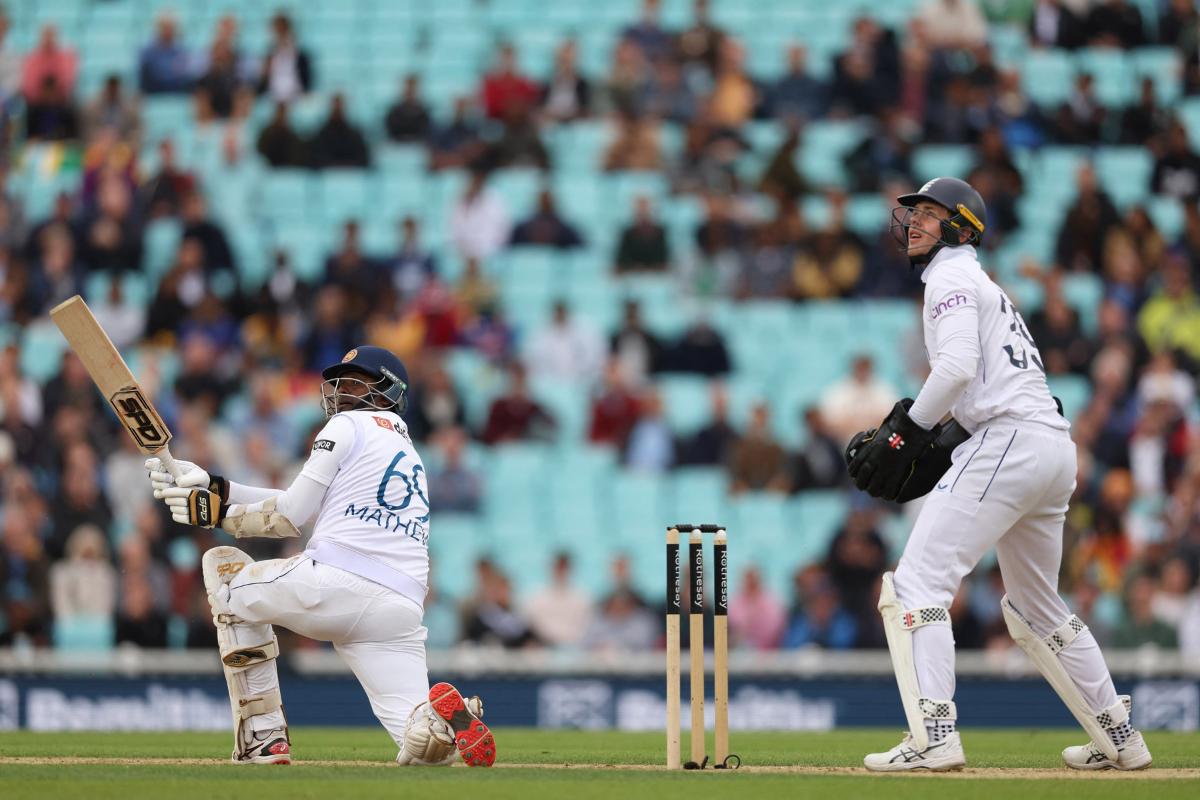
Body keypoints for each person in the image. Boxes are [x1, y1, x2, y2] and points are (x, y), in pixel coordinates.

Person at [847, 177, 1152, 771]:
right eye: (912, 214)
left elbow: (959, 367)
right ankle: (1119, 736)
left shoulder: (951, 276)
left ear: (960, 228)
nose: (913, 223)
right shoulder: (984, 285)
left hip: (1009, 442)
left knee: (915, 584)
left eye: (929, 215)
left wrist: (908, 430)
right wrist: (941, 435)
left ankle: (935, 735)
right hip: (1051, 448)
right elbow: (986, 382)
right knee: (1037, 606)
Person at [147, 346, 495, 767]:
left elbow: (292, 515)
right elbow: (299, 501)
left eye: (357, 381)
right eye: (341, 381)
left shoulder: (347, 424)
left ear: (389, 391)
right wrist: (216, 485)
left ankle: (264, 736)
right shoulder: (408, 451)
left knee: (227, 583)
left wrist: (216, 514)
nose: (343, 389)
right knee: (422, 749)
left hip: (337, 581)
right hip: (399, 607)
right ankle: (440, 721)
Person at [385, 75, 432, 143]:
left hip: (419, 146)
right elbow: (392, 131)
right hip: (397, 146)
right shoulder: (393, 113)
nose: (410, 90)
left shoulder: (424, 113)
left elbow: (425, 132)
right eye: (408, 87)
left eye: (413, 88)